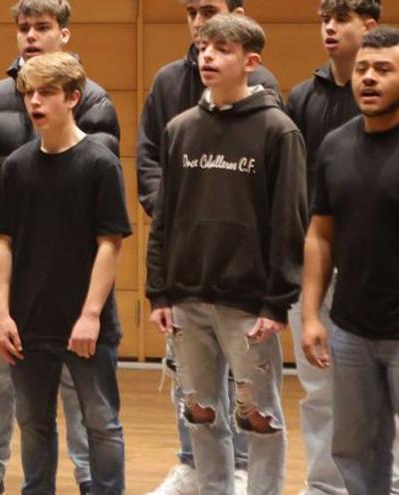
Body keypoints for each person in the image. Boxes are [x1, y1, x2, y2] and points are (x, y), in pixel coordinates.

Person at [0, 0, 120, 492]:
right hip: (16, 272)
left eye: (41, 27)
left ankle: (92, 478)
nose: (29, 35)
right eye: (23, 27)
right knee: (3, 382)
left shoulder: (95, 108)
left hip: (73, 275)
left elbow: (102, 223)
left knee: (90, 405)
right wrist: (3, 230)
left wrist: (91, 311)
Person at [146, 14, 306, 495]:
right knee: (200, 414)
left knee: (260, 420)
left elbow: (288, 223)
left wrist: (276, 302)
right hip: (187, 300)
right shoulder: (180, 129)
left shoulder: (278, 132)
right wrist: (159, 292)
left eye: (221, 48)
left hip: (247, 306)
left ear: (251, 62)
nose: (207, 56)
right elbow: (165, 219)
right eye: (203, 47)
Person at [0, 51, 130, 495]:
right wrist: (1, 313)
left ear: (73, 97)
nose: (35, 101)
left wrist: (90, 315)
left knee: (101, 423)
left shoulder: (99, 163)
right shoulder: (16, 166)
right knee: (33, 425)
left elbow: (111, 244)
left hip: (85, 325)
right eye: (29, 92)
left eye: (46, 92)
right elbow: (4, 243)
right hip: (29, 324)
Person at [285, 1, 380, 494]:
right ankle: (323, 485)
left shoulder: (385, 101)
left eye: (340, 19)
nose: (329, 27)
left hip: (373, 266)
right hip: (317, 262)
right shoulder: (303, 97)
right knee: (319, 388)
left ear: (369, 26)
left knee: (380, 388)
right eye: (324, 18)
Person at [302, 25, 399, 495]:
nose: (369, 78)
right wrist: (310, 315)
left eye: (384, 69)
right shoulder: (335, 145)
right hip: (351, 329)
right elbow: (320, 233)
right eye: (363, 68)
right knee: (356, 454)